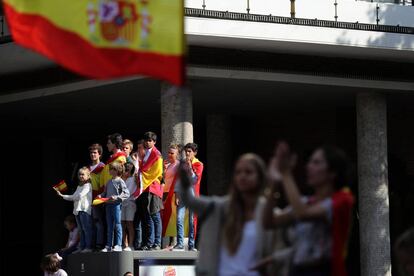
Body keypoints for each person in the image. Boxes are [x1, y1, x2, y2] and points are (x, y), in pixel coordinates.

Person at [262, 142, 355, 276]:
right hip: (299, 270)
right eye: (310, 162)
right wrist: (275, 183)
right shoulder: (306, 202)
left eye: (316, 163)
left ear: (333, 172)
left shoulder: (342, 200)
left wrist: (286, 174)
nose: (308, 167)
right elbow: (268, 222)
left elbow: (302, 214)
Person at [177, 153, 275, 275]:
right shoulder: (219, 207)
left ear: (260, 177)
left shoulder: (268, 213)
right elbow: (190, 201)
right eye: (238, 172)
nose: (242, 176)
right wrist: (185, 182)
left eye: (248, 172)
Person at [135, 132, 164, 250]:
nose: (148, 142)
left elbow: (157, 172)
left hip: (153, 188)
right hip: (145, 188)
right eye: (146, 140)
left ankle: (157, 243)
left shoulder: (157, 155)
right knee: (147, 216)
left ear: (154, 142)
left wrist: (142, 176)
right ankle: (149, 242)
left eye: (150, 140)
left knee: (155, 215)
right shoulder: (145, 154)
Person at [56, 167, 93, 253]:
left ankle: (88, 247)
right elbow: (73, 197)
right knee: (81, 230)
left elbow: (79, 196)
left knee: (86, 229)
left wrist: (72, 197)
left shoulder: (88, 185)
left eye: (83, 174)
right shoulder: (79, 187)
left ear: (88, 176)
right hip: (77, 211)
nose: (81, 176)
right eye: (79, 174)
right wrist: (62, 195)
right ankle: (82, 247)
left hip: (84, 210)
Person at [174, 143, 204, 251]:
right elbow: (178, 180)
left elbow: (194, 179)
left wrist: (190, 166)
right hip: (182, 195)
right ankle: (180, 243)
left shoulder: (199, 164)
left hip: (193, 196)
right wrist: (176, 194)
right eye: (186, 151)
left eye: (189, 151)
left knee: (192, 221)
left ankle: (191, 245)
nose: (187, 153)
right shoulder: (182, 164)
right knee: (179, 219)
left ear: (194, 153)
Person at [98, 162, 130, 252]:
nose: (109, 170)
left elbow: (126, 193)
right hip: (108, 205)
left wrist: (116, 197)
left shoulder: (120, 181)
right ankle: (108, 245)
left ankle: (118, 245)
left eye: (111, 169)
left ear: (116, 171)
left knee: (117, 224)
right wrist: (101, 196)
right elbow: (105, 193)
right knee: (109, 226)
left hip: (116, 205)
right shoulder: (109, 182)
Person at [161, 144, 181, 248]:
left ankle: (172, 242)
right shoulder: (168, 165)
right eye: (169, 152)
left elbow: (178, 181)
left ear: (177, 154)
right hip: (165, 192)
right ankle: (168, 242)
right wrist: (164, 169)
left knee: (173, 217)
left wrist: (177, 194)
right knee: (166, 216)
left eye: (172, 153)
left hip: (173, 192)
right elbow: (164, 179)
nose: (169, 155)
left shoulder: (178, 165)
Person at [88, 143, 106, 250]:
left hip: (97, 199)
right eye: (91, 153)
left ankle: (99, 244)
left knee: (98, 222)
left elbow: (103, 184)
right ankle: (91, 244)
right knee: (89, 224)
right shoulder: (87, 168)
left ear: (99, 154)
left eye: (95, 153)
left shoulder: (103, 167)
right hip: (87, 200)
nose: (92, 155)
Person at [133, 139, 146, 250]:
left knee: (145, 219)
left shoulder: (146, 161)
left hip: (145, 193)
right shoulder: (137, 160)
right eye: (138, 148)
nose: (139, 150)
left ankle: (145, 243)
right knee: (137, 221)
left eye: (140, 147)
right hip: (137, 194)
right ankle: (138, 243)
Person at [121, 162, 137, 251]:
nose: (124, 172)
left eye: (126, 170)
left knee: (129, 224)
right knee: (122, 224)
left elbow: (128, 192)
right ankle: (124, 244)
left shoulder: (133, 179)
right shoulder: (122, 179)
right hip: (122, 204)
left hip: (130, 203)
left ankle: (131, 245)